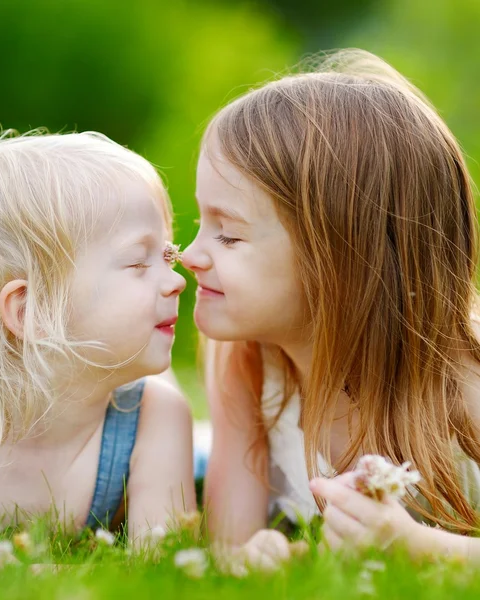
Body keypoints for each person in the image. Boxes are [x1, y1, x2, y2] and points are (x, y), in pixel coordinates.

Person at [182, 49, 480, 563]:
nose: (188, 256)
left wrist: (419, 547)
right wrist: (258, 556)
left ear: (341, 258)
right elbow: (229, 545)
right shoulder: (245, 360)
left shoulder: (463, 384)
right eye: (198, 225)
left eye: (227, 235)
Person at [0, 131, 195, 550]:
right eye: (139, 262)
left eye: (168, 257)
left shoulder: (156, 418)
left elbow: (161, 566)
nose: (177, 281)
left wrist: (1, 566)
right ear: (31, 311)